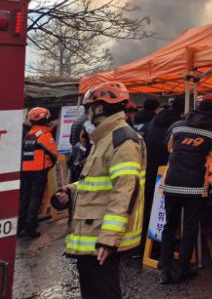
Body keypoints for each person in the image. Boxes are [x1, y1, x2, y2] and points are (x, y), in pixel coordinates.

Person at [51, 81, 146, 299]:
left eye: (89, 108)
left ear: (100, 108)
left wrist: (109, 238)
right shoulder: (106, 138)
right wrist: (70, 191)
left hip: (100, 237)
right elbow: (98, 181)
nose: (87, 113)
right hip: (92, 232)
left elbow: (125, 190)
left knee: (103, 293)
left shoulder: (123, 140)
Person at [159, 94, 212, 284]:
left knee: (170, 225)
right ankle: (183, 268)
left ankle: (164, 266)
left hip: (172, 180)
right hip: (194, 185)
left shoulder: (177, 125)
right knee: (190, 226)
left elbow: (167, 146)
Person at [141, 96, 184, 252]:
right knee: (165, 208)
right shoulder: (176, 125)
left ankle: (144, 244)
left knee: (149, 205)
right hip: (166, 170)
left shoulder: (156, 119)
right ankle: (161, 245)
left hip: (150, 166)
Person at [19, 107, 59, 238]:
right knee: (35, 199)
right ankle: (30, 228)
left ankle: (19, 227)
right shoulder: (44, 135)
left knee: (24, 198)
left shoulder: (28, 134)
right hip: (38, 172)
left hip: (25, 171)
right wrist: (49, 165)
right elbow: (54, 154)